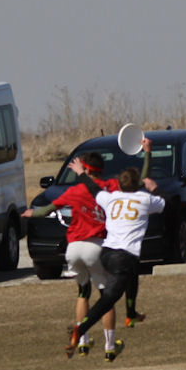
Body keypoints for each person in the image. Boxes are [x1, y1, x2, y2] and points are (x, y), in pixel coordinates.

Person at [65, 154, 165, 362]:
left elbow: (92, 188)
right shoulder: (145, 199)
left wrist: (81, 172)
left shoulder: (111, 197)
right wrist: (154, 188)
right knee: (108, 299)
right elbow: (166, 204)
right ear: (138, 185)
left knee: (132, 273)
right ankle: (80, 330)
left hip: (108, 253)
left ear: (119, 184)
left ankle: (131, 313)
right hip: (124, 256)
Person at [24, 152, 117, 356]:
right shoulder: (109, 186)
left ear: (85, 170)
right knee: (106, 298)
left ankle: (83, 340)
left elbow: (46, 210)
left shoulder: (74, 191)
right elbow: (134, 184)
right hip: (96, 245)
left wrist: (31, 213)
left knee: (83, 293)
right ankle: (110, 346)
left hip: (73, 248)